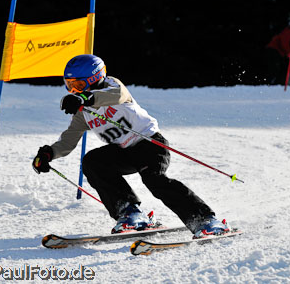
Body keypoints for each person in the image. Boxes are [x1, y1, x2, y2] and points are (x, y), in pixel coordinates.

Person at [32, 54, 230, 238]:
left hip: (150, 144)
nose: (74, 90)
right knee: (93, 161)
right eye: (69, 86)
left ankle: (205, 219)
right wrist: (49, 153)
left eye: (78, 84)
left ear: (95, 78)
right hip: (123, 152)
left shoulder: (113, 86)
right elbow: (68, 140)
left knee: (154, 181)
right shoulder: (83, 112)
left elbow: (116, 95)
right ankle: (130, 212)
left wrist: (85, 98)